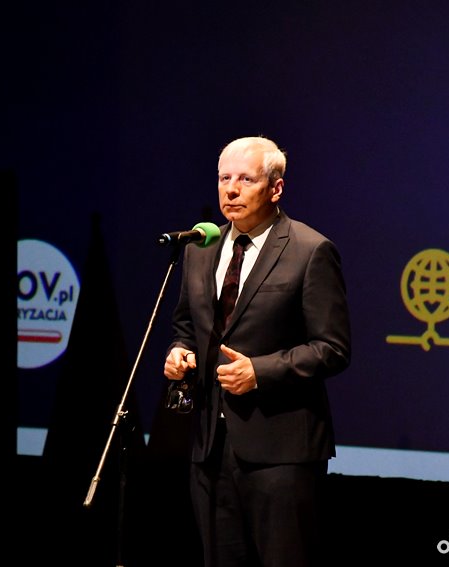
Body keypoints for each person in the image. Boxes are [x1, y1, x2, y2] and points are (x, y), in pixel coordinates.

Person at [163, 135, 352, 567]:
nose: (231, 190)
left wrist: (260, 372)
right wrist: (180, 352)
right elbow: (186, 326)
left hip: (281, 453)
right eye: (224, 178)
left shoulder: (310, 250)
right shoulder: (199, 249)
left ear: (275, 188)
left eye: (246, 179)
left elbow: (333, 348)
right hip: (210, 450)